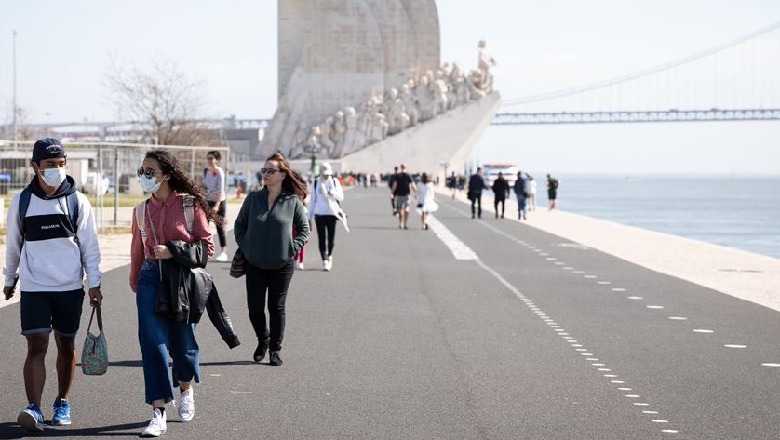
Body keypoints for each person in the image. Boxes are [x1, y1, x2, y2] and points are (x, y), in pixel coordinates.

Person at [3, 138, 103, 433]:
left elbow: (90, 247)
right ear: (34, 166)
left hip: (70, 286)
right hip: (35, 286)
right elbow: (12, 244)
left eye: (61, 165)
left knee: (66, 345)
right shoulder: (21, 202)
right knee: (36, 344)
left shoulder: (77, 201)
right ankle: (33, 407)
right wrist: (10, 279)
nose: (56, 170)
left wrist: (94, 283)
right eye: (49, 166)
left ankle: (62, 401)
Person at [129, 149, 218, 437]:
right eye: (141, 171)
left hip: (181, 281)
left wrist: (173, 251)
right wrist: (136, 280)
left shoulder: (190, 205)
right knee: (152, 343)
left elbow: (206, 249)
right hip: (150, 279)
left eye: (150, 171)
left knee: (183, 346)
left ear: (166, 175)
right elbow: (137, 250)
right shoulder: (141, 211)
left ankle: (186, 388)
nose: (144, 176)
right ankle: (158, 412)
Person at [234, 152, 310, 367]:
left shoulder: (292, 201)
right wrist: (246, 247)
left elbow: (304, 230)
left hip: (282, 264)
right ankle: (263, 339)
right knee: (255, 308)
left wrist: (290, 249)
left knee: (276, 307)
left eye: (271, 171)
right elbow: (239, 226)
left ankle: (275, 349)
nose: (266, 174)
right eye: (264, 170)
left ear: (282, 175)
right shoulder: (252, 199)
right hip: (255, 262)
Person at [307, 162, 344, 271]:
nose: (326, 176)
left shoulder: (334, 182)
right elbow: (312, 201)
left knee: (331, 238)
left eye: (328, 174)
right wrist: (309, 217)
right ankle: (325, 260)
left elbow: (341, 197)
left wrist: (333, 193)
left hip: (332, 213)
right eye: (324, 174)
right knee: (321, 238)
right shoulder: (316, 183)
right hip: (319, 214)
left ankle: (330, 254)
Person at [203, 150, 228, 261]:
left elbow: (220, 190)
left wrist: (217, 206)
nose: (209, 160)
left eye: (211, 158)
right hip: (207, 201)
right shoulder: (206, 171)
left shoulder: (219, 172)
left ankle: (223, 252)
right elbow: (204, 186)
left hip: (219, 202)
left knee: (219, 227)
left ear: (217, 160)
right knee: (203, 226)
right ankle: (203, 250)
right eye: (208, 158)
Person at [391, 163, 417, 229]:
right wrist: (416, 192)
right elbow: (413, 185)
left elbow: (395, 185)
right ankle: (405, 223)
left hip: (399, 194)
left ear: (401, 167)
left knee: (400, 209)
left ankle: (400, 223)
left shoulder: (398, 175)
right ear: (406, 167)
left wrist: (392, 193)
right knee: (407, 208)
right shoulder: (408, 175)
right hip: (406, 194)